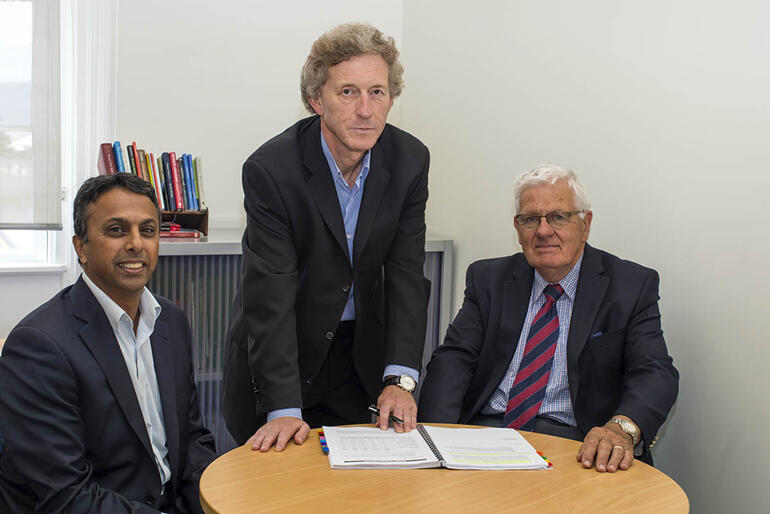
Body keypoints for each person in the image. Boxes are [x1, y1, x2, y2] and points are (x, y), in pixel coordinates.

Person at [223, 22, 430, 452]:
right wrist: (282, 409)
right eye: (348, 92)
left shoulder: (410, 161)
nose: (365, 110)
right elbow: (271, 293)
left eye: (377, 92)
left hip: (361, 360)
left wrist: (399, 379)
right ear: (316, 100)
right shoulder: (271, 171)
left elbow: (407, 275)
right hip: (284, 355)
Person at [418, 164, 678, 472]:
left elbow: (654, 372)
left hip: (577, 445)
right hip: (486, 434)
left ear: (586, 224)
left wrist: (621, 428)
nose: (543, 231)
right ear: (517, 228)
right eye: (531, 219)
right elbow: (454, 360)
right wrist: (436, 437)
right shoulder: (489, 279)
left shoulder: (630, 286)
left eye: (559, 217)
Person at [0, 174, 216, 512]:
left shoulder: (171, 321)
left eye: (148, 230)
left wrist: (211, 503)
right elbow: (66, 496)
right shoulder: (38, 346)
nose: (135, 244)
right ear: (80, 248)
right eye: (117, 230)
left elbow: (192, 440)